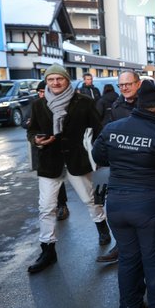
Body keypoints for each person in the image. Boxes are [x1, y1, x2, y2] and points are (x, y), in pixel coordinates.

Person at [92, 81, 155, 308]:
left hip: (117, 205)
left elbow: (98, 156)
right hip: (150, 206)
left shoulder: (112, 129)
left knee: (129, 259)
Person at [26, 63, 112, 274]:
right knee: (46, 207)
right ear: (46, 82)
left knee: (89, 199)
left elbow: (99, 130)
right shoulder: (39, 105)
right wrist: (36, 140)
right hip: (49, 161)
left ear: (67, 80)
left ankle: (102, 227)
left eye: (59, 79)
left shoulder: (84, 102)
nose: (55, 83)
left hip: (77, 159)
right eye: (50, 79)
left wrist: (100, 157)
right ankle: (48, 249)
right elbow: (32, 130)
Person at [96, 70, 142, 263]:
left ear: (138, 84)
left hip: (144, 167)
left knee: (143, 211)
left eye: (128, 84)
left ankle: (145, 248)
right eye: (121, 85)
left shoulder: (149, 103)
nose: (124, 88)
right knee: (120, 209)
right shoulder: (116, 106)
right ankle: (121, 247)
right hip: (122, 166)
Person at [24, 80, 69, 221]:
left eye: (44, 91)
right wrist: (32, 130)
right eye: (40, 92)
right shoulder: (36, 105)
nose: (42, 94)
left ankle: (62, 205)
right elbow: (26, 124)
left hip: (60, 148)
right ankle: (52, 208)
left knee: (58, 178)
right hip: (43, 149)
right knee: (49, 182)